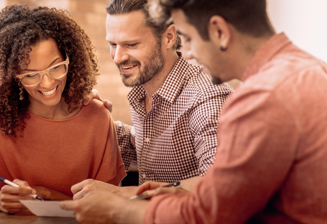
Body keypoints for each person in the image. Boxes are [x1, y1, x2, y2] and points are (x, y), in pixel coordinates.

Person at [59, 0, 327, 223]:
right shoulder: (308, 69)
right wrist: (95, 119)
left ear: (219, 31)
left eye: (187, 38)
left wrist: (117, 206)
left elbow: (213, 210)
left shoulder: (262, 96)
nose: (186, 53)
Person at [0, 5, 125, 214]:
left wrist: (46, 195)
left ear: (71, 60)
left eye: (56, 67)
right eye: (31, 75)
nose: (48, 83)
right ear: (13, 76)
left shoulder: (98, 118)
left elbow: (110, 208)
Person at [71, 0, 233, 200]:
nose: (117, 57)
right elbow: (146, 144)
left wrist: (121, 193)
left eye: (131, 44)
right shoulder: (142, 89)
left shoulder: (206, 96)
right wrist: (91, 116)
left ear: (169, 37)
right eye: (113, 44)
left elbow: (219, 184)